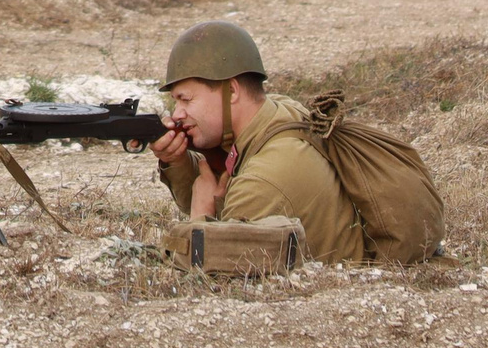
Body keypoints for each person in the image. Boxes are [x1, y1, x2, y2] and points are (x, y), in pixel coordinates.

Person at [148, 19, 369, 265]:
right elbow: (222, 191)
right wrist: (176, 160)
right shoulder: (281, 112)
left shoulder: (263, 180)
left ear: (231, 91)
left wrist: (200, 216)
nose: (177, 113)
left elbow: (216, 271)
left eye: (186, 99)